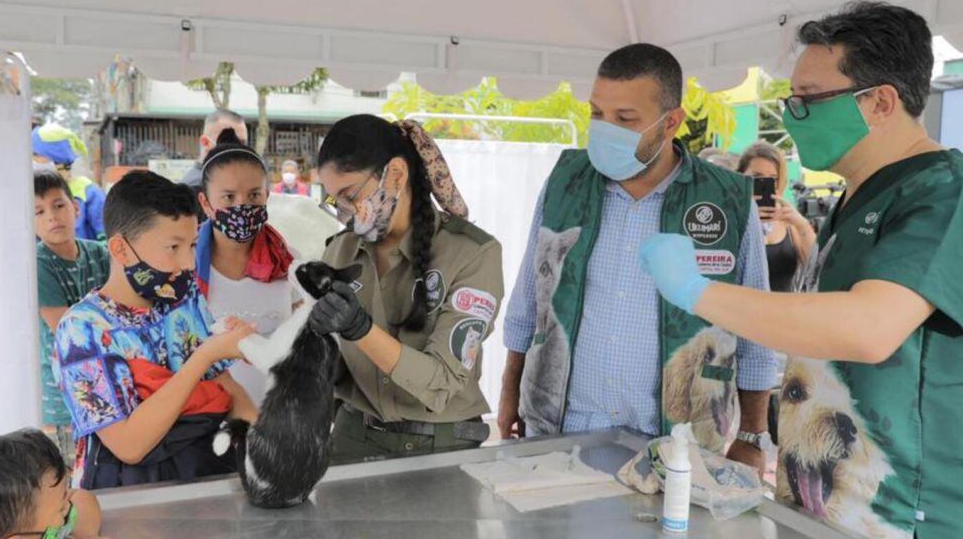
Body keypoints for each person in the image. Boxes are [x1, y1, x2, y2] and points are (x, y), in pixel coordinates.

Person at [640, 1, 963, 539]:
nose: (792, 114)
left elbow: (868, 329)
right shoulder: (854, 198)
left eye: (809, 100)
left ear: (880, 102)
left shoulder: (943, 195)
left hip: (902, 515)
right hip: (822, 506)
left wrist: (694, 289)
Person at [498, 43, 777, 472]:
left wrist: (753, 436)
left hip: (679, 446)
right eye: (596, 114)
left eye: (625, 119)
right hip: (561, 433)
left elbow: (756, 327)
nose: (605, 128)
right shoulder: (565, 182)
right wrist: (509, 391)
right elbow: (527, 302)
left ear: (671, 123)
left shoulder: (726, 200)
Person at [308, 114, 503, 463]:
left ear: (396, 175)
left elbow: (441, 383)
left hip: (441, 449)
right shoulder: (340, 250)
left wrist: (359, 329)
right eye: (334, 201)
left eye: (349, 194)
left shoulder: (472, 253)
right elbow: (337, 374)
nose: (345, 213)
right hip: (352, 439)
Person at [54, 170, 257, 489]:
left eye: (192, 244)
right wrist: (203, 357)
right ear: (120, 249)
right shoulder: (82, 330)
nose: (189, 263)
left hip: (204, 483)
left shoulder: (183, 299)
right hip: (128, 502)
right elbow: (129, 446)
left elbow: (228, 388)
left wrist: (260, 447)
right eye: (173, 247)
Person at [195, 129, 299, 407]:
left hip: (280, 421)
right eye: (228, 197)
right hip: (208, 427)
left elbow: (306, 342)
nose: (242, 206)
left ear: (267, 196)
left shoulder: (290, 264)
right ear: (206, 203)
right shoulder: (182, 269)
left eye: (254, 195)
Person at [33, 170, 111, 466]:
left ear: (76, 208)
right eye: (39, 211)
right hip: (62, 404)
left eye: (58, 205)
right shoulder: (37, 263)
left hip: (105, 394)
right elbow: (67, 330)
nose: (52, 217)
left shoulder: (100, 254)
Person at [737, 141, 816, 292]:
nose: (766, 184)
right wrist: (746, 219)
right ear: (740, 176)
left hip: (784, 313)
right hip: (741, 312)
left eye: (773, 179)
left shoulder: (789, 222)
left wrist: (802, 225)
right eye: (756, 177)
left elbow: (817, 266)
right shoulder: (731, 219)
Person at [32, 123, 107, 241]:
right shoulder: (31, 192)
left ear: (58, 160)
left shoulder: (88, 192)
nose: (32, 160)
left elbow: (108, 239)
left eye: (36, 154)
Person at [180, 109, 249, 195]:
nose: (239, 149)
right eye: (230, 142)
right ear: (205, 142)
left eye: (243, 143)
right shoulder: (197, 186)